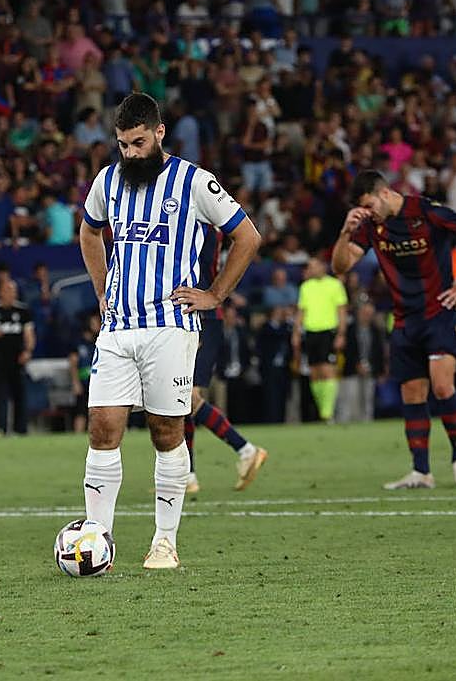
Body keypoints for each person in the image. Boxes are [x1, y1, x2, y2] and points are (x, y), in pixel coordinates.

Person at [79, 91, 261, 569]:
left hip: (170, 326)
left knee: (165, 432)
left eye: (138, 143)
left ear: (159, 133)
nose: (130, 153)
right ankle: (98, 540)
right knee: (102, 428)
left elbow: (248, 236)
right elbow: (89, 231)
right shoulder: (107, 180)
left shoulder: (194, 181)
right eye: (122, 144)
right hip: (117, 327)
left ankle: (165, 542)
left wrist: (215, 294)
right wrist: (101, 289)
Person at [332, 170, 456, 490]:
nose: (369, 212)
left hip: (439, 313)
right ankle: (421, 471)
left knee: (442, 387)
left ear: (384, 193)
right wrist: (345, 233)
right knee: (412, 395)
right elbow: (340, 266)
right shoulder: (371, 226)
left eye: (369, 205)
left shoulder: (426, 211)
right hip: (404, 320)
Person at [183, 224, 267, 495]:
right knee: (180, 401)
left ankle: (246, 449)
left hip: (203, 317)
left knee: (187, 398)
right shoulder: (206, 220)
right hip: (192, 314)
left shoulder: (202, 222)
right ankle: (187, 475)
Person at [292, 256, 349, 422]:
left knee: (327, 370)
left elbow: (342, 311)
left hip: (328, 331)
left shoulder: (335, 285)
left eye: (313, 266)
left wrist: (341, 334)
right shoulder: (306, 287)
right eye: (309, 267)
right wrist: (296, 333)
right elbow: (301, 312)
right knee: (314, 372)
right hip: (310, 332)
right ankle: (323, 410)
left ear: (323, 267)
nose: (310, 269)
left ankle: (327, 413)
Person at [0, 278, 35, 435]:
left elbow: (29, 335)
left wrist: (28, 351)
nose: (11, 294)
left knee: (20, 395)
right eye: (7, 290)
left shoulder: (23, 311)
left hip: (17, 359)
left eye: (13, 291)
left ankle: (20, 430)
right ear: (0, 292)